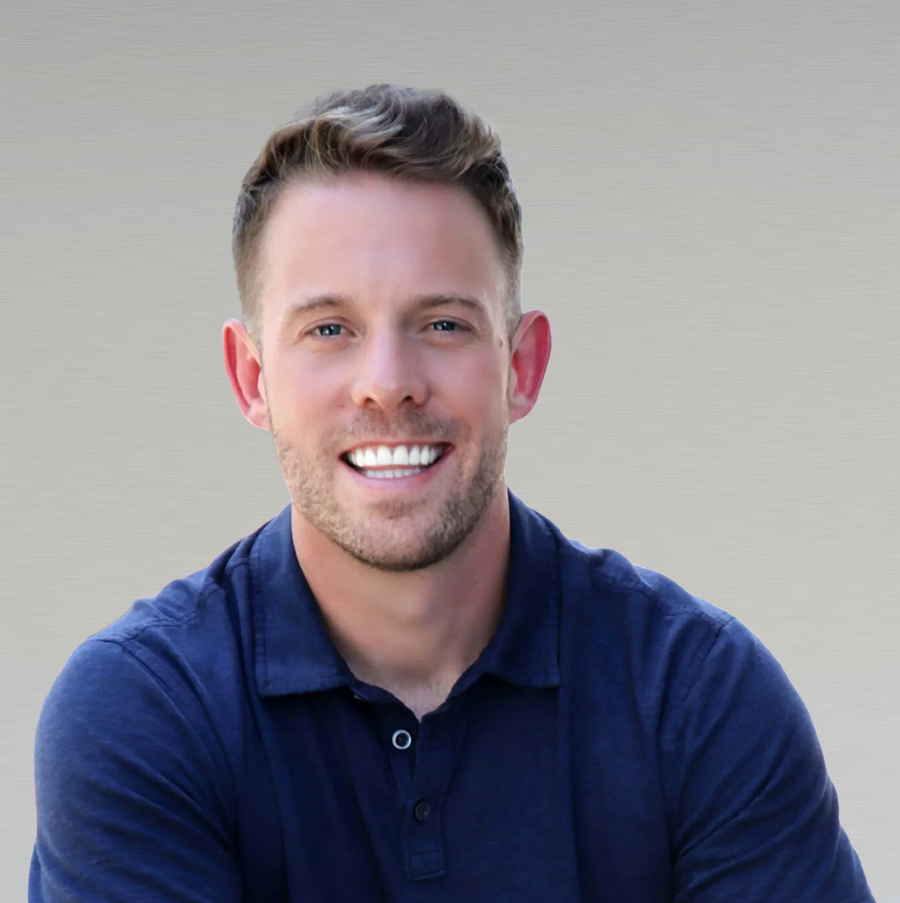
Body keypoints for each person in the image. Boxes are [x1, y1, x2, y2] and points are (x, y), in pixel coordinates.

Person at [30, 84, 874, 902]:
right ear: (251, 378)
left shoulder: (697, 697)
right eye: (330, 329)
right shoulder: (143, 710)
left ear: (522, 365)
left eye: (442, 324)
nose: (388, 384)